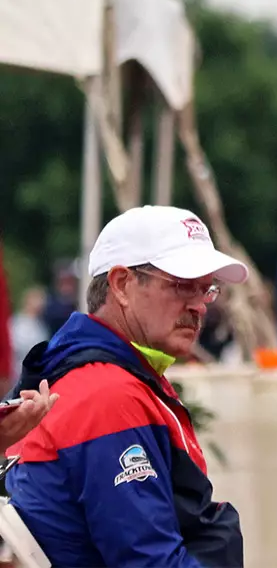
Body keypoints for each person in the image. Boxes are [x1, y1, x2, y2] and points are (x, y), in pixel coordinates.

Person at [5, 205, 247, 565]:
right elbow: (149, 561)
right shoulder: (108, 394)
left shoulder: (92, 373)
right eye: (182, 286)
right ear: (121, 285)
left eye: (206, 289)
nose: (199, 306)